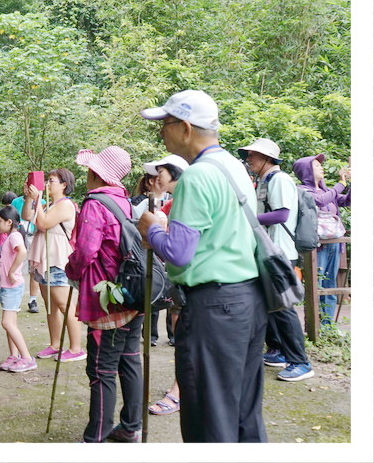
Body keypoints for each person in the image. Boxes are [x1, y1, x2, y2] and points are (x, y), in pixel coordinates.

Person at [137, 90, 267, 443]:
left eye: (165, 124)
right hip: (247, 302)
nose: (161, 132)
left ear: (186, 128)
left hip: (213, 308)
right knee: (243, 412)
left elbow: (179, 253)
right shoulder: (235, 169)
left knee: (209, 418)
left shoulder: (196, 177)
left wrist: (153, 231)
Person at [65, 146, 143, 443]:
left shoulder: (95, 204)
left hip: (105, 298)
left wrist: (70, 269)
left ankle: (95, 436)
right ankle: (131, 426)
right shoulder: (124, 201)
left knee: (101, 368)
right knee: (130, 359)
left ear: (96, 174)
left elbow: (85, 251)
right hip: (131, 291)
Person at [239, 138, 314, 382]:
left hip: (280, 252)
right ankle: (278, 350)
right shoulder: (265, 179)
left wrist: (246, 218)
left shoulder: (279, 179)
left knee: (282, 307)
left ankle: (300, 361)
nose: (249, 159)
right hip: (269, 250)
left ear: (267, 159)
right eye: (248, 155)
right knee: (270, 303)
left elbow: (282, 214)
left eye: (253, 155)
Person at [143, 154, 189, 417]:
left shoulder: (187, 199)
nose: (156, 176)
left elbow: (177, 247)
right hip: (181, 278)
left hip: (194, 277)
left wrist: (156, 231)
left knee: (185, 334)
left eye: (160, 171)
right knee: (180, 329)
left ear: (174, 173)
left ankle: (177, 392)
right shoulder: (173, 202)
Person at [23, 168, 85, 362]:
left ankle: (76, 348)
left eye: (52, 181)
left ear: (64, 185)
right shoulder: (48, 204)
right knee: (50, 305)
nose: (48, 184)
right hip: (44, 258)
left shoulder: (65, 205)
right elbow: (26, 217)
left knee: (64, 304)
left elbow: (43, 224)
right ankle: (55, 344)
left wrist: (39, 199)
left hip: (57, 258)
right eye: (47, 180)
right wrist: (29, 198)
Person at [292, 153, 351, 325]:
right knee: (316, 284)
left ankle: (328, 326)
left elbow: (347, 201)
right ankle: (315, 325)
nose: (321, 168)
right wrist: (341, 184)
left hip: (334, 244)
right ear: (306, 170)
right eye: (317, 166)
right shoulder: (302, 190)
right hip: (316, 246)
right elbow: (319, 201)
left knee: (330, 284)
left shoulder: (327, 191)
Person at [0, 206, 37, 373]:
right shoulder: (6, 237)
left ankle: (27, 358)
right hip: (5, 286)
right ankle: (13, 355)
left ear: (9, 222)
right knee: (10, 323)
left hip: (12, 286)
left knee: (7, 323)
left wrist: (13, 271)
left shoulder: (14, 236)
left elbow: (22, 252)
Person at [11, 192, 45, 313]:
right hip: (18, 237)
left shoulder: (42, 203)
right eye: (26, 184)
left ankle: (33, 299)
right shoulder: (16, 202)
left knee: (33, 269)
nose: (28, 187)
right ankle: (15, 299)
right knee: (16, 266)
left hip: (33, 236)